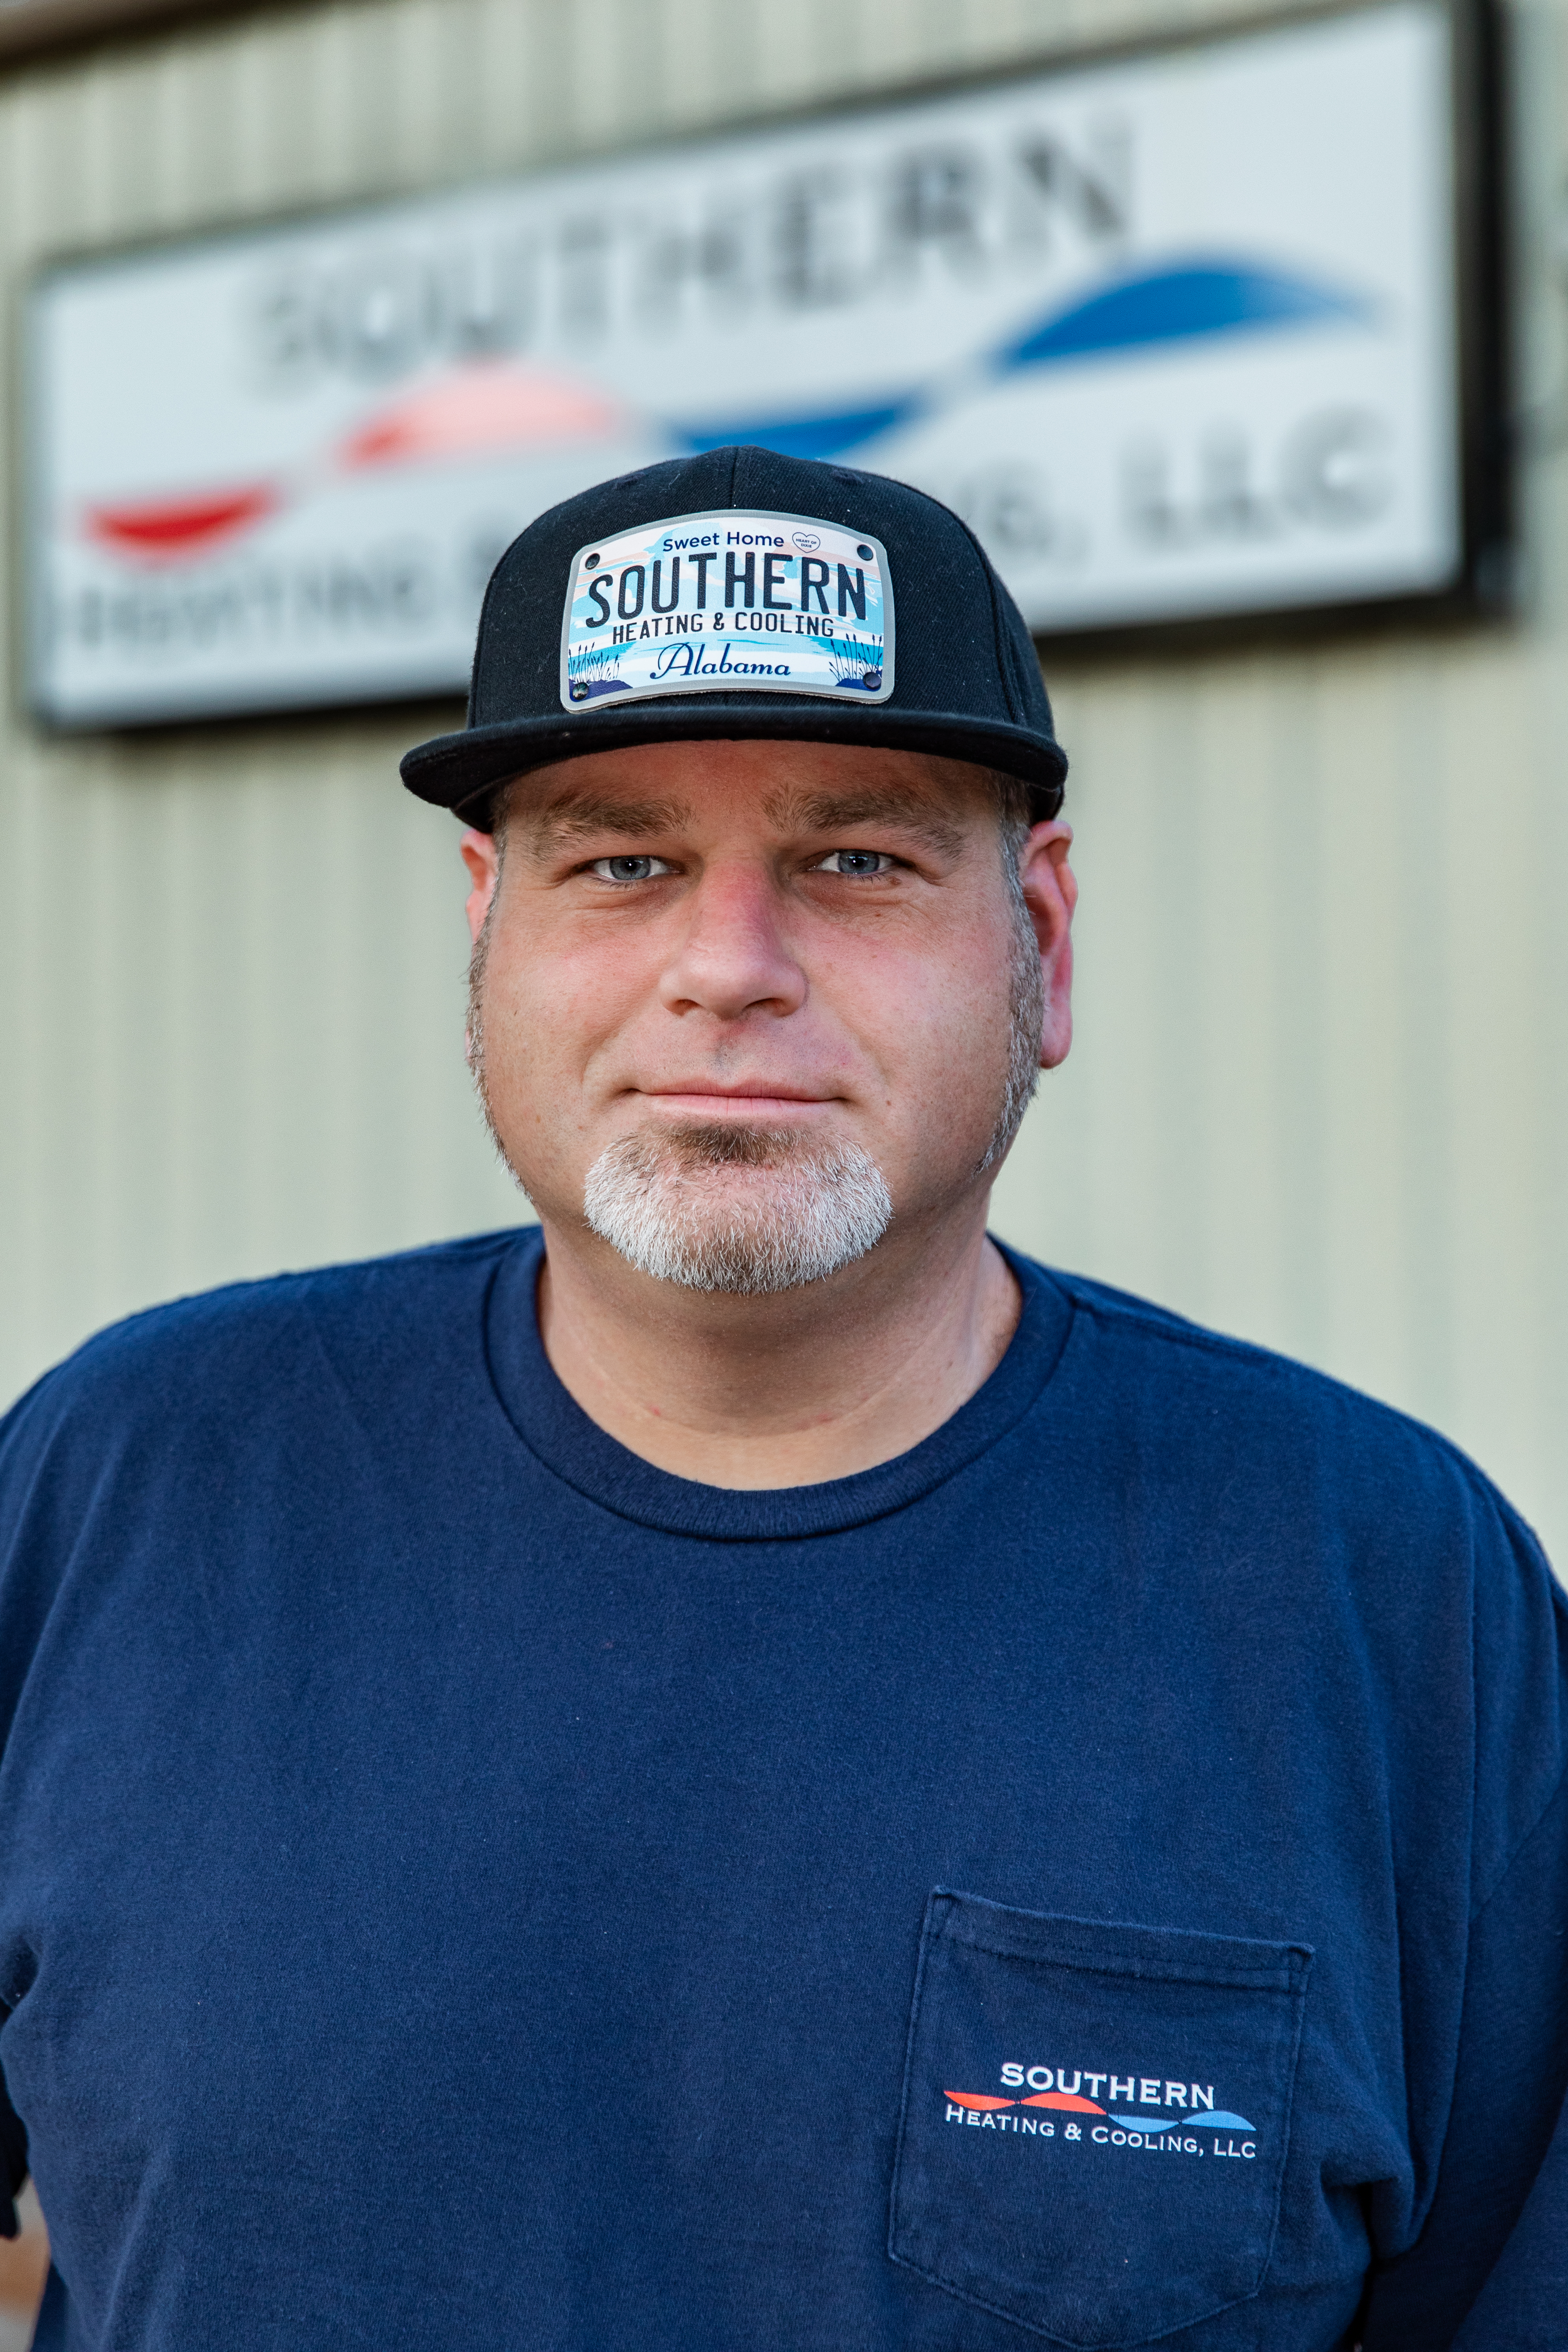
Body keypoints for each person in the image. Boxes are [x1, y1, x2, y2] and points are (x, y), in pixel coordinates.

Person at [0, 447, 1563, 2352]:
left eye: (859, 858)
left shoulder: (1388, 1591)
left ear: (1042, 948)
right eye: (624, 860)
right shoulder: (121, 1485)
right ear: (488, 928)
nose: (727, 965)